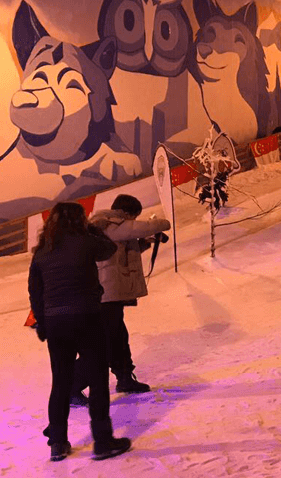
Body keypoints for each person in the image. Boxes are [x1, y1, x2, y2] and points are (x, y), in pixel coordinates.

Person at [28, 202, 132, 462]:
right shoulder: (85, 241)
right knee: (98, 380)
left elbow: (35, 291)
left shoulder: (42, 251)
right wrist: (93, 230)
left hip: (56, 323)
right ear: (80, 220)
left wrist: (42, 322)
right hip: (86, 316)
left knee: (60, 381)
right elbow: (108, 250)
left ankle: (58, 443)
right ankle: (103, 441)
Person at [72, 194, 170, 398]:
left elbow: (121, 253)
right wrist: (162, 222)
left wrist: (147, 242)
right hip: (103, 295)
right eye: (134, 216)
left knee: (118, 338)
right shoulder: (106, 223)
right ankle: (72, 386)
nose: (134, 221)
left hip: (111, 295)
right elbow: (135, 229)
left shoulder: (114, 227)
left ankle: (124, 377)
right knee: (104, 342)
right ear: (126, 213)